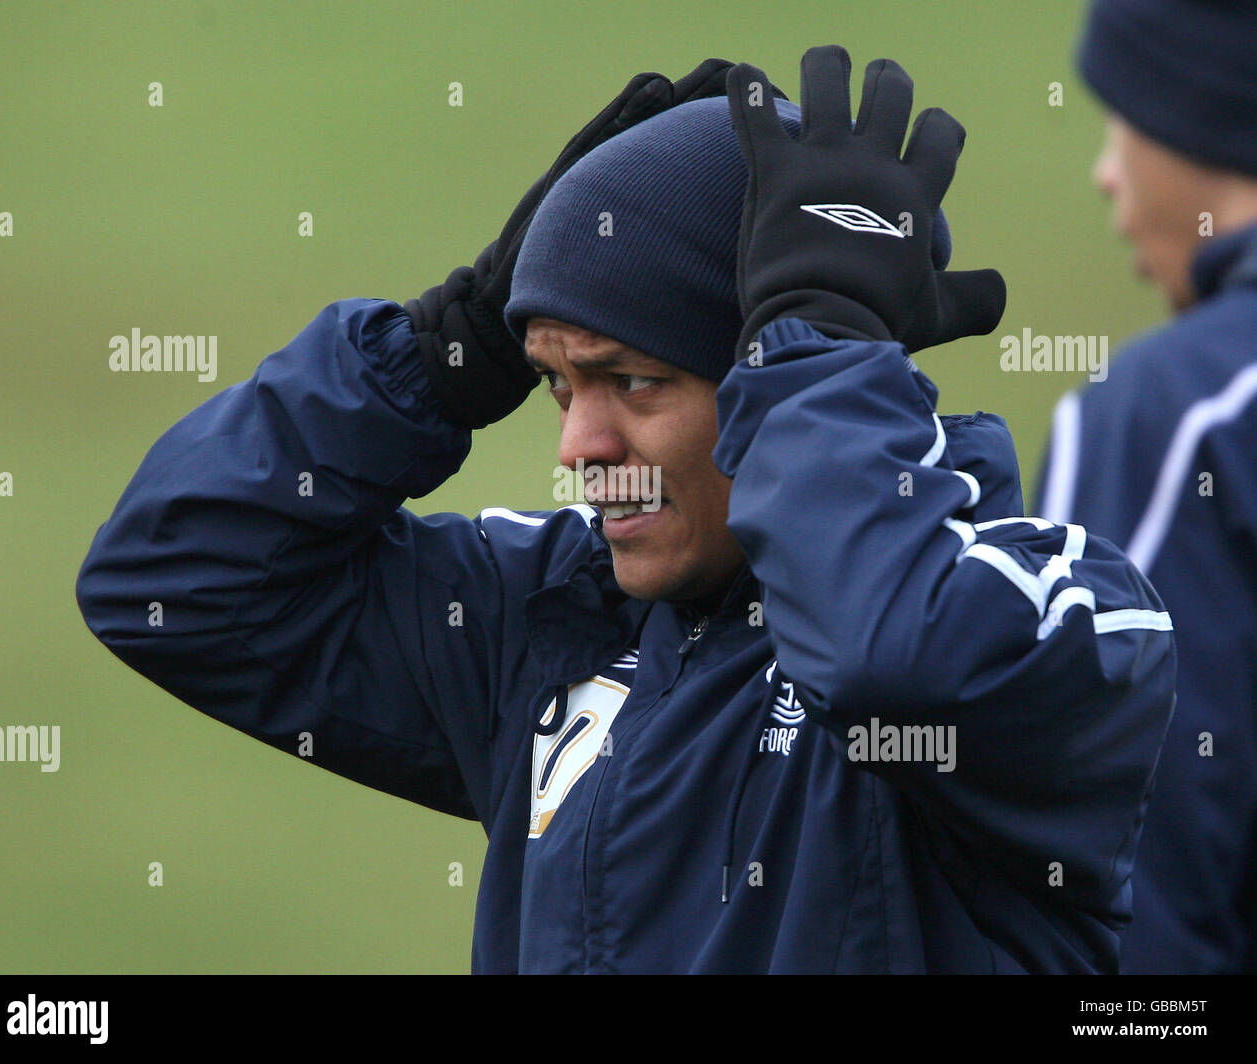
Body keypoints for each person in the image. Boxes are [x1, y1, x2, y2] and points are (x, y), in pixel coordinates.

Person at [77, 46, 1175, 973]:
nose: (576, 446)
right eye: (558, 382)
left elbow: (892, 657)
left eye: (632, 381)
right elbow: (172, 578)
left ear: (772, 379)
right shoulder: (553, 616)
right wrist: (444, 347)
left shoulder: (1061, 616)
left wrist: (823, 354)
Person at [1034, 0, 1257, 973]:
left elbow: (1114, 899)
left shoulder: (1177, 415)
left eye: (1122, 118)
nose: (1104, 172)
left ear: (1203, 115)